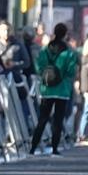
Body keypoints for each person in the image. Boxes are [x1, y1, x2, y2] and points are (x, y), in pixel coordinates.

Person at [30, 23, 77, 156]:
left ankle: (33, 147)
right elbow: (71, 71)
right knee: (58, 119)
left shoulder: (45, 49)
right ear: (65, 34)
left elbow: (39, 66)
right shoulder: (68, 52)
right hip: (62, 90)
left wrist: (45, 76)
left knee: (43, 118)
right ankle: (55, 148)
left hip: (47, 89)